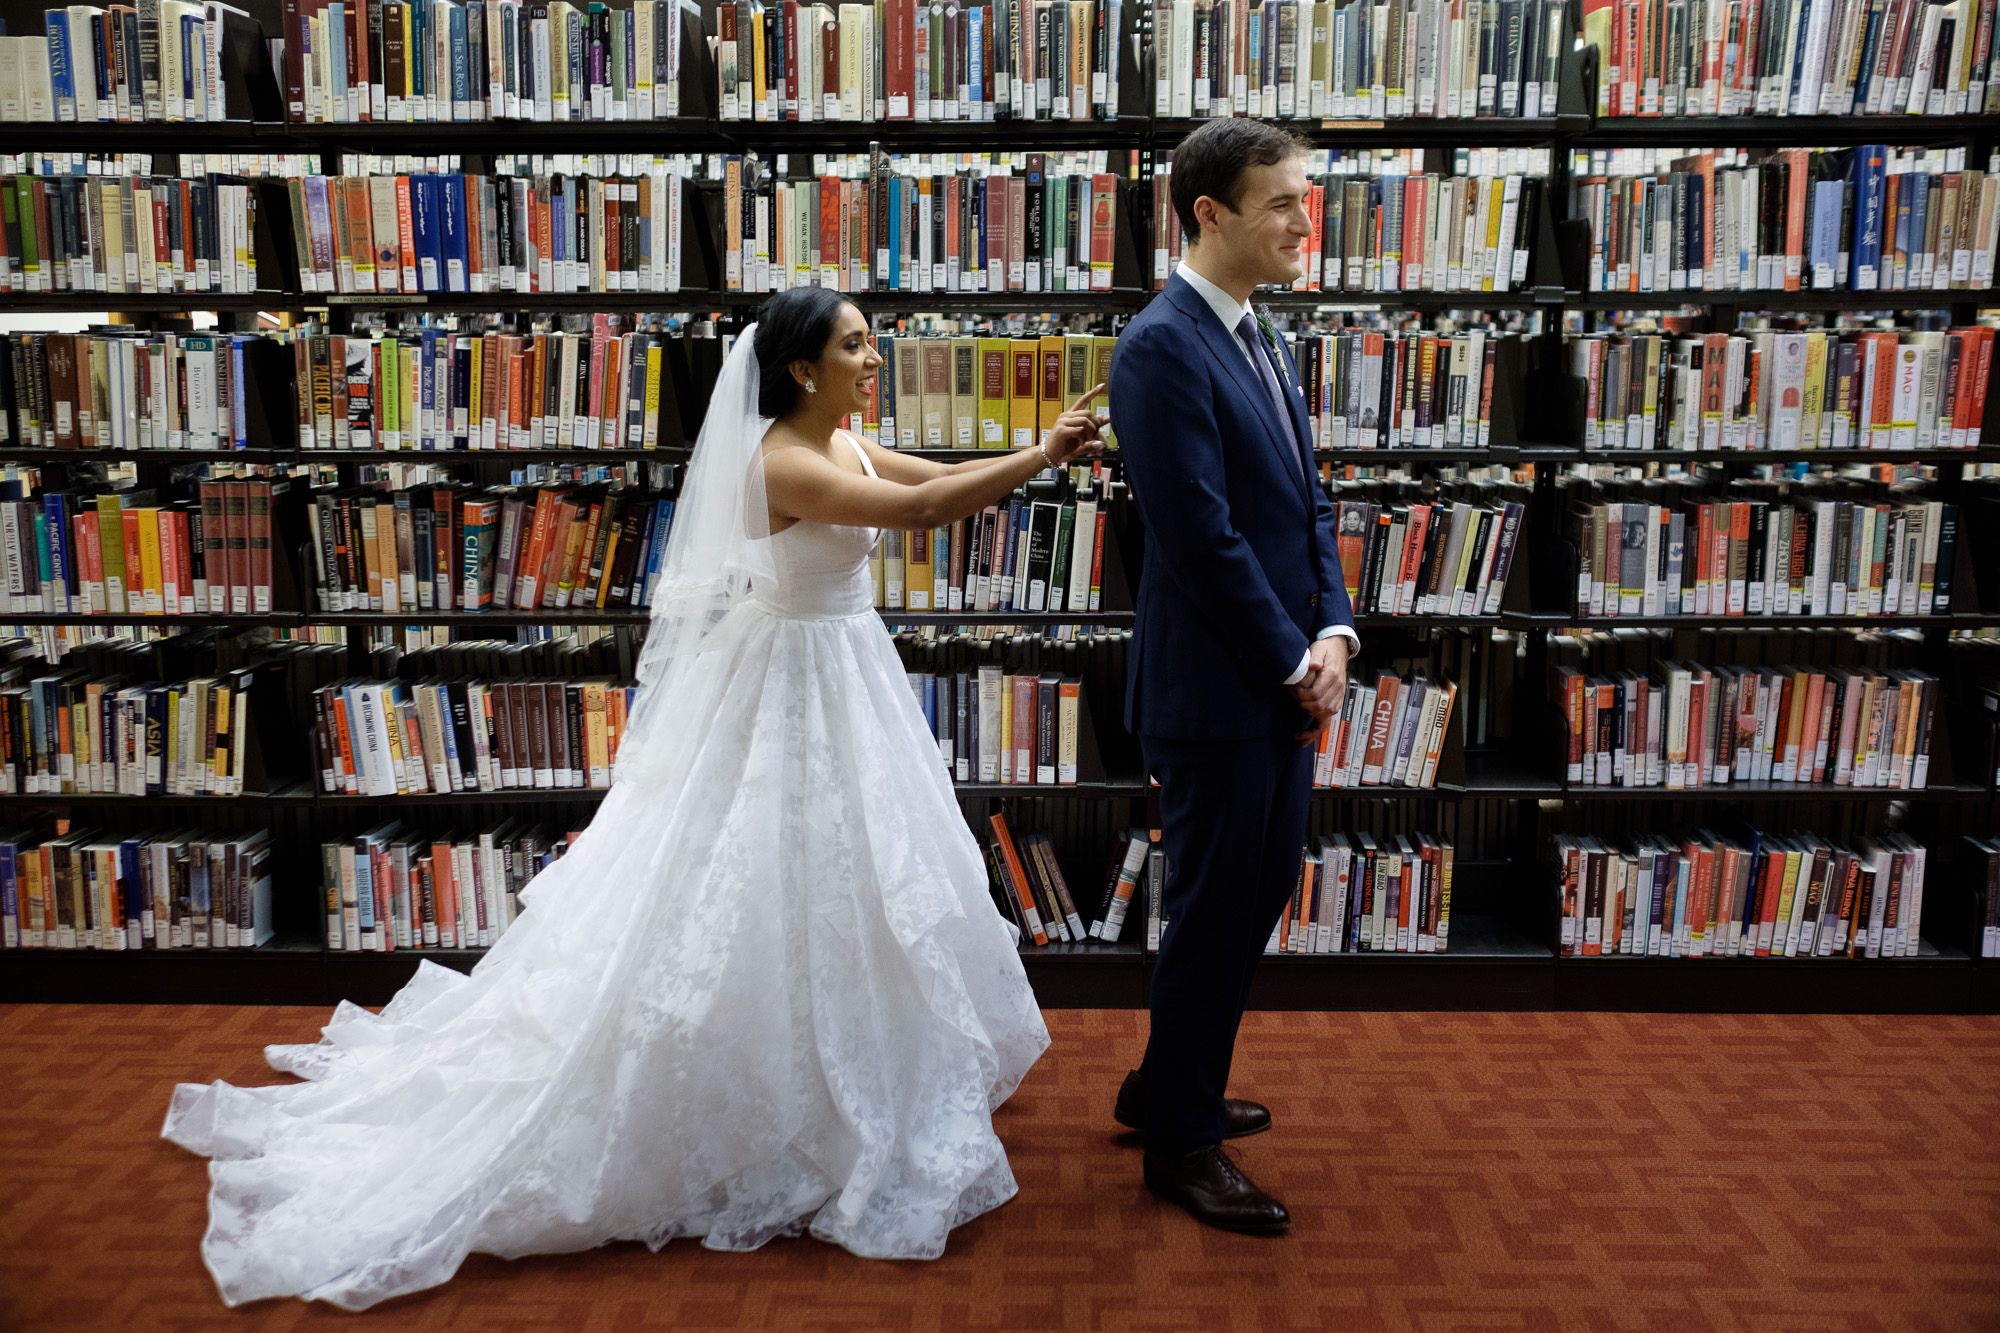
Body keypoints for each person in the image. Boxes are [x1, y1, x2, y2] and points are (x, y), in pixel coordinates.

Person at [160, 287, 1109, 1311]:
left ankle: (851, 1070)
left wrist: (1032, 442)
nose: (874, 357)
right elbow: (926, 511)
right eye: (855, 345)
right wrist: (1045, 459)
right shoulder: (779, 462)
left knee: (845, 877)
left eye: (870, 341)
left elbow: (934, 476)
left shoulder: (843, 439)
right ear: (799, 367)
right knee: (765, 876)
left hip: (842, 669)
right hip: (790, 676)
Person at [1107, 118, 1359, 1236]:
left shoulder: (1261, 336)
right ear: (1207, 213)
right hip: (1217, 691)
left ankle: (1169, 1084)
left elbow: (1304, 505)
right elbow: (1196, 534)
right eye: (1281, 204)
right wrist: (1288, 656)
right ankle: (1179, 1143)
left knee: (1252, 894)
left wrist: (1337, 628)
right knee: (1213, 912)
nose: (1305, 221)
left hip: (1282, 676)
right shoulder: (1161, 346)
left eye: (1304, 199)